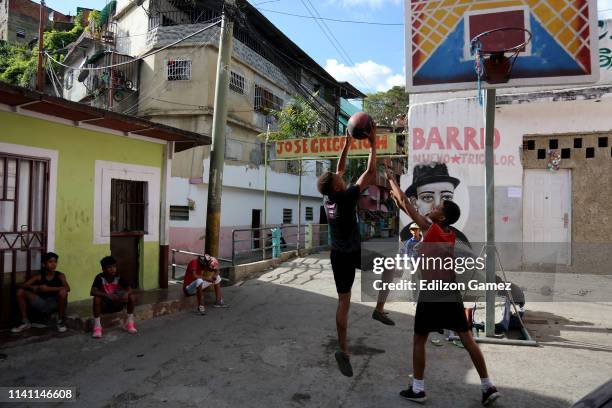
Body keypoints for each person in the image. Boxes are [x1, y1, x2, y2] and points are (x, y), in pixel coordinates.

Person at [386, 168, 500, 406]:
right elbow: (404, 204)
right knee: (467, 339)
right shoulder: (446, 233)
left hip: (432, 293)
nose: (434, 207)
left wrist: (391, 180)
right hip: (451, 293)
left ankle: (418, 389)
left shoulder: (432, 228)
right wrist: (395, 193)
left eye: (438, 208)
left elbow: (407, 205)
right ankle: (488, 386)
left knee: (419, 339)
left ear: (442, 218)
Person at [316, 123, 377, 377]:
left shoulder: (328, 197)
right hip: (353, 252)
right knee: (390, 266)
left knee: (343, 301)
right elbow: (370, 172)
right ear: (339, 186)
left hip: (337, 255)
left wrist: (346, 147)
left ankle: (344, 349)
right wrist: (373, 145)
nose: (341, 174)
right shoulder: (347, 195)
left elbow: (339, 171)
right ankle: (381, 309)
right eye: (339, 177)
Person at [11, 252, 70, 333]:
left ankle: (60, 321)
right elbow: (20, 285)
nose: (53, 264)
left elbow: (67, 288)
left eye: (55, 262)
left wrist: (49, 288)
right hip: (42, 303)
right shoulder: (39, 276)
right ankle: (25, 322)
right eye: (50, 262)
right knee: (20, 292)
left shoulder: (60, 275)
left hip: (55, 303)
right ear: (44, 264)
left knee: (63, 292)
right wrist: (33, 287)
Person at [90, 256, 137, 338]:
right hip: (105, 305)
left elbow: (129, 288)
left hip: (117, 302)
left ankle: (129, 323)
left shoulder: (118, 276)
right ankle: (97, 327)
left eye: (114, 266)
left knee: (131, 296)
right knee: (96, 298)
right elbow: (92, 291)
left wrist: (126, 293)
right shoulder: (99, 278)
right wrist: (107, 295)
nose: (113, 269)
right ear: (103, 269)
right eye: (109, 267)